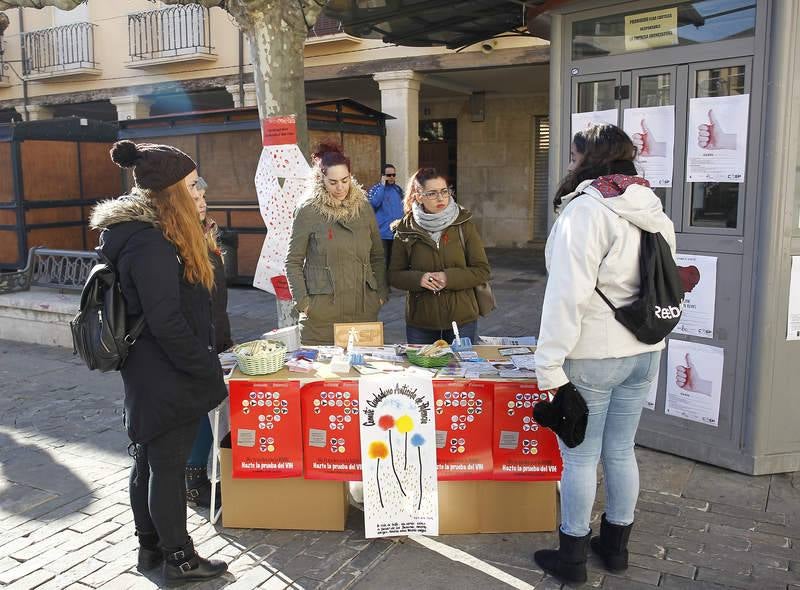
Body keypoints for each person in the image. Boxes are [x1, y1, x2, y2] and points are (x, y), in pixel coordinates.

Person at [532, 124, 676, 585]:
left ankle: (572, 557)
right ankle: (615, 549)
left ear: (589, 159)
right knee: (620, 450)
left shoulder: (587, 211)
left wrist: (549, 365)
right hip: (645, 348)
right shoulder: (652, 208)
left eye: (573, 158)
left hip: (594, 352)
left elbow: (566, 296)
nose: (570, 166)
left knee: (578, 457)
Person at [91, 141, 228, 586]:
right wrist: (205, 367)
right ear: (170, 192)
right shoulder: (149, 242)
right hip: (165, 372)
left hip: (153, 369)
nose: (200, 189)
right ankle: (179, 558)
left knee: (150, 461)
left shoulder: (149, 233)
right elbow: (168, 321)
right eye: (193, 184)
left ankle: (151, 550)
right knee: (163, 466)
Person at [285, 141, 388, 345]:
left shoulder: (364, 208)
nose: (340, 187)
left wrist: (380, 295)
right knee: (322, 375)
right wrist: (304, 303)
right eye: (332, 182)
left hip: (363, 310)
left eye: (345, 180)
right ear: (321, 178)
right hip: (322, 315)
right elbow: (293, 262)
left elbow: (377, 255)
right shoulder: (308, 210)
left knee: (364, 372)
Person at [388, 167, 490, 345]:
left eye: (444, 191)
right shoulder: (404, 230)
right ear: (419, 196)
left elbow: (482, 271)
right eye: (432, 193)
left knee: (462, 371)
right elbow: (394, 275)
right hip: (421, 322)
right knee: (422, 370)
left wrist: (447, 277)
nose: (441, 198)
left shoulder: (464, 224)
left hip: (462, 319)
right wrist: (419, 279)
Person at [184, 175, 233, 507]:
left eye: (204, 198)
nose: (203, 203)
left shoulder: (206, 236)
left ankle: (203, 474)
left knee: (211, 408)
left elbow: (215, 298)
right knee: (200, 410)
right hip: (197, 342)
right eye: (196, 198)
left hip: (216, 337)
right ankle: (192, 479)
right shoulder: (180, 242)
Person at [367, 163, 404, 267]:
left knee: (395, 263)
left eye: (394, 175)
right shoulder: (376, 189)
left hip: (397, 234)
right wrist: (382, 186)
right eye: (389, 175)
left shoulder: (398, 190)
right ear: (383, 176)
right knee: (382, 263)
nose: (392, 177)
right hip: (382, 234)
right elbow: (373, 204)